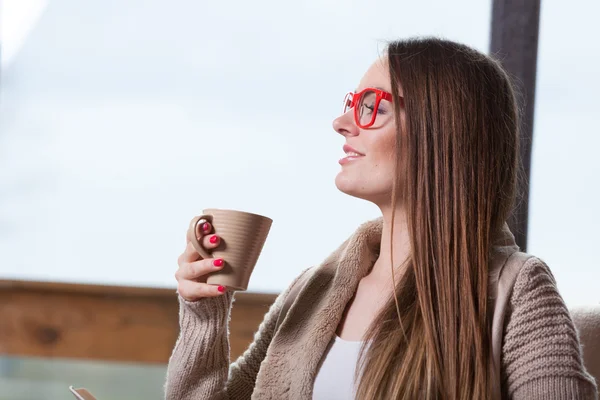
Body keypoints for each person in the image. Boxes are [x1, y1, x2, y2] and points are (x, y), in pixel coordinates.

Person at [164, 37, 598, 399]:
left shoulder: (518, 290)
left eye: (373, 106)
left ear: (442, 131)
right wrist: (205, 312)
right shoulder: (313, 291)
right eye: (351, 103)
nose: (341, 122)